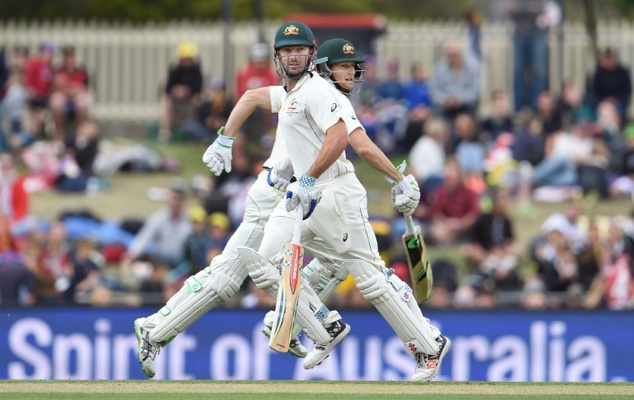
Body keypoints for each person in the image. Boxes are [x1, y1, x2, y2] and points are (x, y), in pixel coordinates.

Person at [135, 31, 448, 383]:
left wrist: (398, 179)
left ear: (312, 56)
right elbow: (261, 102)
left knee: (353, 272)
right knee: (249, 268)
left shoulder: (319, 92)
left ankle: (415, 341)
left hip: (319, 190)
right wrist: (228, 140)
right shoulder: (295, 92)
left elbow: (348, 140)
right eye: (343, 67)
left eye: (352, 68)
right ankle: (318, 324)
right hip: (287, 192)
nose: (350, 75)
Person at [158, 42, 203, 142]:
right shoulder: (175, 70)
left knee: (198, 100)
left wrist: (187, 91)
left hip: (190, 99)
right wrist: (176, 91)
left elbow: (198, 88)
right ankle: (165, 132)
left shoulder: (196, 70)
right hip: (175, 99)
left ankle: (194, 129)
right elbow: (168, 88)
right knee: (166, 100)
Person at [50, 46, 90, 140]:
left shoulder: (81, 70)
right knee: (56, 101)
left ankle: (81, 131)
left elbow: (83, 87)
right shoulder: (58, 70)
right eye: (67, 57)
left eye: (71, 57)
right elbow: (56, 87)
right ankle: (59, 132)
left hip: (76, 96)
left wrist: (70, 89)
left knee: (82, 100)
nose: (69, 60)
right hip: (64, 96)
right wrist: (69, 90)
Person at [24, 42, 55, 137]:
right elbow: (29, 81)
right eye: (47, 52)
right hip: (36, 96)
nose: (49, 55)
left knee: (43, 113)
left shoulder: (49, 66)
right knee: (37, 113)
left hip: (45, 97)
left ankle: (40, 134)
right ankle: (36, 134)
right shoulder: (34, 64)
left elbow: (50, 84)